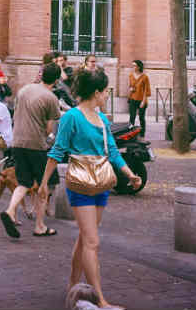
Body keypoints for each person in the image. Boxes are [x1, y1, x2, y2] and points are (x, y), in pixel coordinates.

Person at [39, 68, 142, 309]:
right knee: (93, 242)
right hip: (81, 184)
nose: (106, 96)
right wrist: (44, 183)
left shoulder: (102, 119)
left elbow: (113, 152)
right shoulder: (71, 117)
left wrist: (130, 175)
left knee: (85, 239)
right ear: (96, 92)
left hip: (101, 183)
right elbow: (57, 150)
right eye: (105, 92)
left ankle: (72, 286)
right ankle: (100, 300)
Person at [0, 62, 63, 239]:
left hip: (17, 141)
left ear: (41, 74)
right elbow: (49, 129)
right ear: (56, 80)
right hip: (36, 145)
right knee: (44, 186)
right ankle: (40, 226)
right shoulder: (51, 98)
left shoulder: (24, 90)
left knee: (24, 183)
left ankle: (11, 210)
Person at [128, 60, 151, 137]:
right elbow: (130, 86)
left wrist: (143, 101)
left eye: (134, 66)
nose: (133, 67)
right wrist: (130, 89)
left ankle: (142, 134)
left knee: (141, 118)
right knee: (132, 117)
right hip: (132, 99)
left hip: (141, 100)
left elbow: (146, 90)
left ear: (139, 67)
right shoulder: (131, 75)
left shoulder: (145, 77)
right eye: (132, 65)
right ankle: (130, 134)